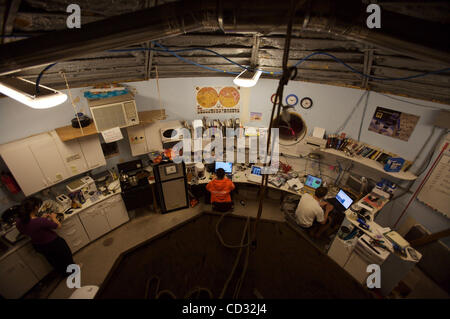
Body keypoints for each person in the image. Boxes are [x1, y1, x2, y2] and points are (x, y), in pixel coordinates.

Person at [16, 197, 75, 277]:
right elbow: (58, 226)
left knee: (54, 261)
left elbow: (26, 230)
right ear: (36, 207)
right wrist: (53, 217)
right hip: (53, 243)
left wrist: (40, 219)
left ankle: (63, 274)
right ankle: (73, 271)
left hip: (39, 246)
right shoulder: (40, 221)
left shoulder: (19, 221)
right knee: (65, 257)